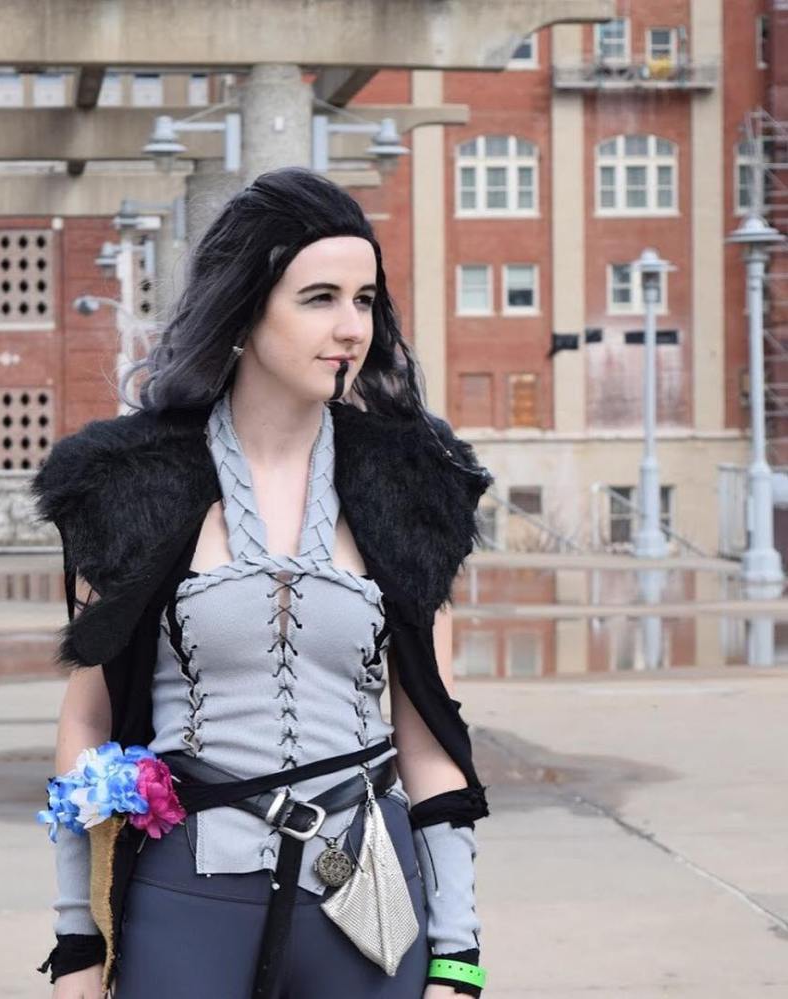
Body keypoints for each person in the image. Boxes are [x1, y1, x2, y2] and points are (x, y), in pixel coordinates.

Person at [33, 166, 493, 999]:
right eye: (318, 298)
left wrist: (458, 956)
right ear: (245, 307)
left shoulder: (413, 491)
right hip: (186, 901)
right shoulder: (131, 485)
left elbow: (429, 737)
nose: (350, 327)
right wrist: (77, 942)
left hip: (369, 900)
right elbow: (88, 720)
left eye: (364, 300)